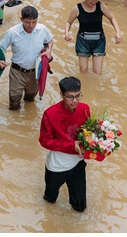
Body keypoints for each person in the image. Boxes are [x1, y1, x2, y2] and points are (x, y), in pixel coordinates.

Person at [39, 76, 90, 213]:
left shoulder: (85, 109)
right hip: (56, 166)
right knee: (50, 199)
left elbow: (88, 132)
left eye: (78, 96)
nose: (75, 101)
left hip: (77, 163)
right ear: (61, 95)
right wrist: (71, 145)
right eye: (70, 97)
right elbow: (44, 140)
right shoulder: (50, 114)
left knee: (80, 207)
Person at [0, 6, 53, 111]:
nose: (31, 25)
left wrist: (49, 50)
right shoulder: (12, 32)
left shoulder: (42, 29)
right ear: (21, 19)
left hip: (35, 72)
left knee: (30, 100)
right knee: (14, 103)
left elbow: (50, 40)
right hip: (17, 72)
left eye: (34, 22)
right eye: (27, 22)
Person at [64, 0, 122, 75]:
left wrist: (118, 32)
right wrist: (67, 32)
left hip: (99, 41)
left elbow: (112, 17)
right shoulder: (77, 8)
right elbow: (68, 22)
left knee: (97, 73)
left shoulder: (101, 6)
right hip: (83, 41)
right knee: (83, 70)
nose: (94, 1)